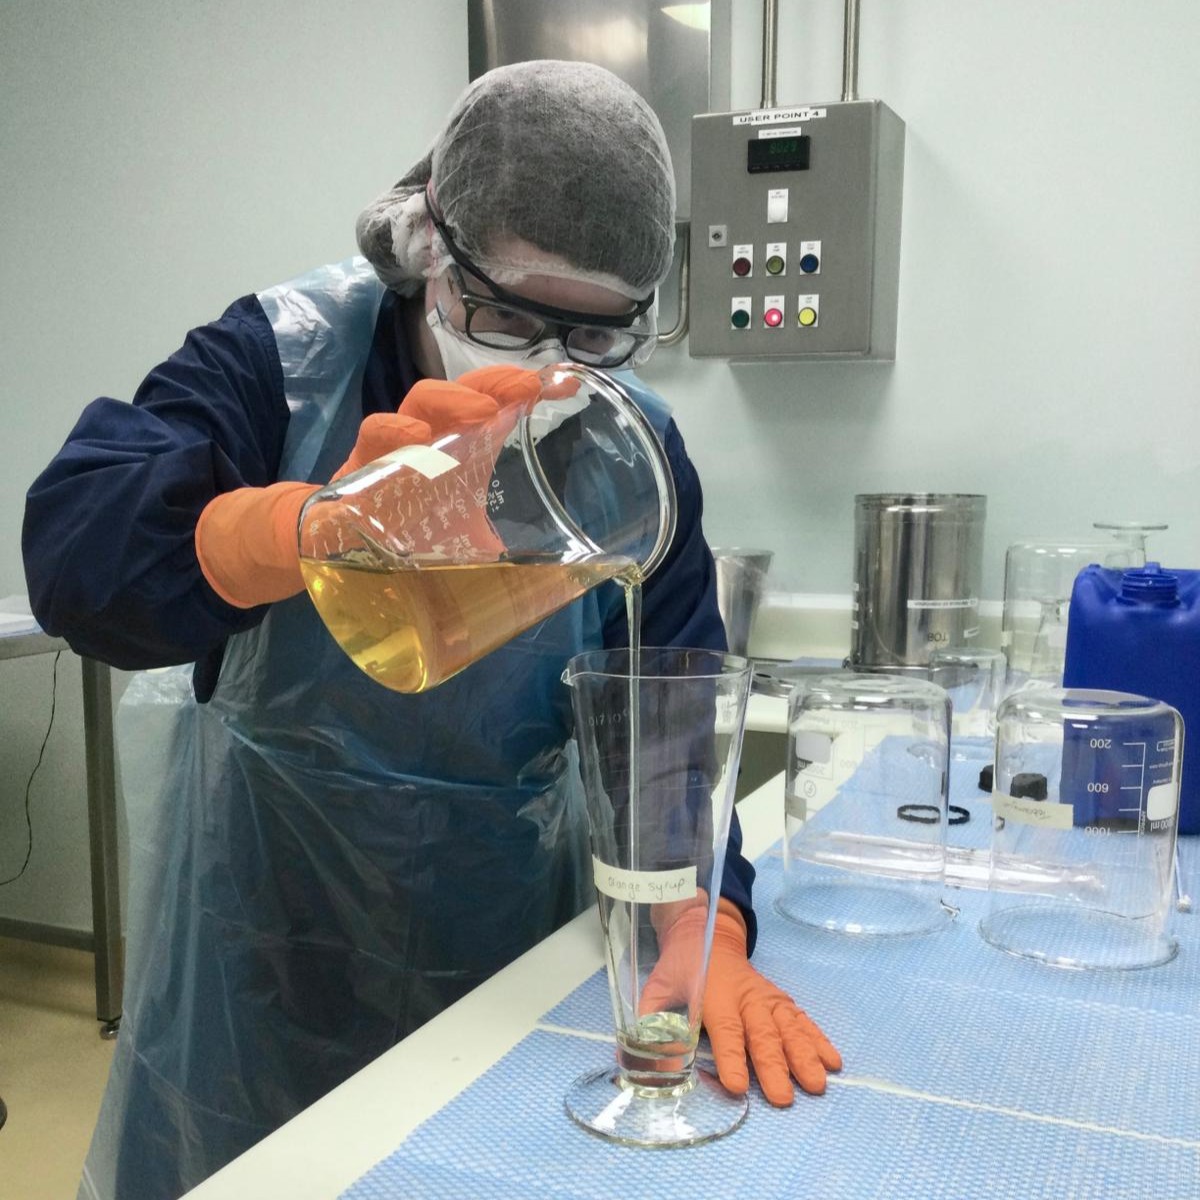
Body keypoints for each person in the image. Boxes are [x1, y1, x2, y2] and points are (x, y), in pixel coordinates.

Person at [23, 60, 840, 1200]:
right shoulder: (279, 360)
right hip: (259, 947)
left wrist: (705, 927)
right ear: (425, 247)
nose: (546, 362)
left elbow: (666, 716)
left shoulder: (625, 451)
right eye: (503, 312)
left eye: (596, 335)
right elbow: (78, 559)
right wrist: (303, 529)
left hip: (498, 941)